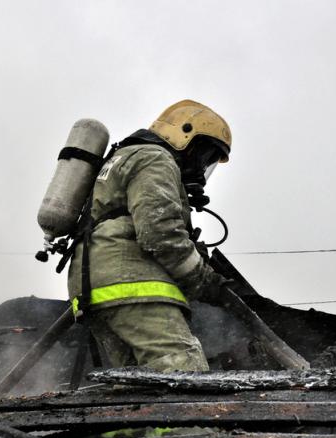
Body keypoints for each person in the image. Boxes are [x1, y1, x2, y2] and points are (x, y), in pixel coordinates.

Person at [68, 100, 232, 372]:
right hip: (131, 283)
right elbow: (160, 233)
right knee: (183, 372)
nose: (202, 169)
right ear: (184, 135)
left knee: (139, 385)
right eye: (204, 156)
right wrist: (203, 279)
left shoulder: (123, 157)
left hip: (91, 284)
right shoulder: (155, 158)